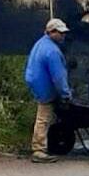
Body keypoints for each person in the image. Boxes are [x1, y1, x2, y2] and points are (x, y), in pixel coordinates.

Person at [23, 18, 72, 164]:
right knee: (43, 117)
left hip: (36, 82)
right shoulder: (52, 51)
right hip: (44, 86)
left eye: (64, 33)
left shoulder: (41, 43)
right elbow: (58, 77)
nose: (63, 36)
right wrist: (66, 94)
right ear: (51, 32)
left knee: (45, 117)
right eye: (60, 33)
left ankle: (43, 144)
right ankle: (39, 150)